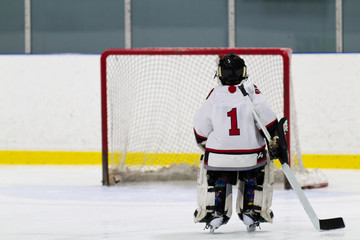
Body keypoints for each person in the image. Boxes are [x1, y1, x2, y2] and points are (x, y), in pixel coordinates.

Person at [193, 53, 280, 233]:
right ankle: (251, 212)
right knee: (253, 175)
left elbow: (200, 129)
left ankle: (216, 212)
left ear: (220, 73)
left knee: (219, 175)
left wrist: (208, 145)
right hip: (250, 156)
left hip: (219, 157)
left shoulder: (214, 95)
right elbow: (269, 121)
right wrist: (275, 140)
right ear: (243, 72)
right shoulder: (251, 91)